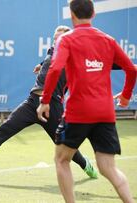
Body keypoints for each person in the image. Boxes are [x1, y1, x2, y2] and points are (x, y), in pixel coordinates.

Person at [0, 25, 98, 179]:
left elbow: (93, 67)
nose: (56, 41)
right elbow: (49, 59)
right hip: (33, 102)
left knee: (64, 146)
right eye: (54, 38)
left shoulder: (74, 57)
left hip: (51, 107)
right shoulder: (52, 50)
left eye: (60, 39)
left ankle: (85, 164)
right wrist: (41, 64)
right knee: (6, 128)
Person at [36, 0, 136, 202]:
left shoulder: (66, 39)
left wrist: (45, 100)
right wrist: (125, 96)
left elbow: (55, 69)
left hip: (79, 112)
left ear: (72, 15)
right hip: (105, 113)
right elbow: (132, 69)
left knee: (62, 160)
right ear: (94, 14)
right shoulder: (107, 39)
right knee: (109, 168)